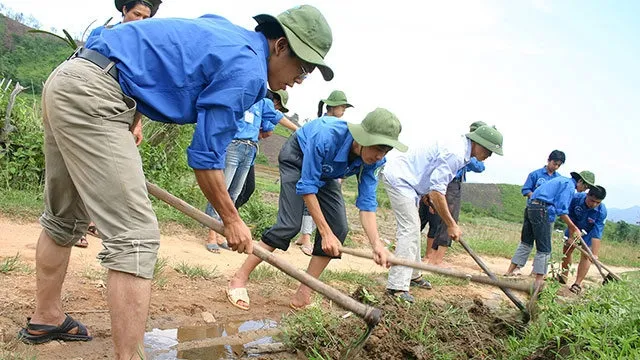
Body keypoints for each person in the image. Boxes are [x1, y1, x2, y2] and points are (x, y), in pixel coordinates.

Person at [19, 5, 334, 360]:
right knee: (136, 236)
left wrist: (132, 117)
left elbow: (144, 55)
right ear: (279, 46)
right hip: (95, 95)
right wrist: (232, 219)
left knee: (64, 218)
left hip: (70, 77)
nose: (301, 79)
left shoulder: (224, 32)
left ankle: (46, 318)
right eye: (303, 67)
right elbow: (206, 158)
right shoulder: (247, 71)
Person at [227, 108, 405, 311]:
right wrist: (323, 232)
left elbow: (367, 204)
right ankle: (238, 279)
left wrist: (377, 245)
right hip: (297, 158)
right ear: (363, 137)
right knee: (289, 225)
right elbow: (307, 186)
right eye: (378, 148)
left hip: (326, 174)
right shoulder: (326, 136)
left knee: (338, 229)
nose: (380, 155)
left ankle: (304, 293)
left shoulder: (374, 161)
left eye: (386, 150)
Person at [74, 0, 163, 249]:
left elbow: (139, 87)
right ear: (124, 11)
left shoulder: (144, 47)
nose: (141, 21)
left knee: (109, 173)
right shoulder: (105, 35)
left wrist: (137, 124)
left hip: (121, 115)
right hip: (92, 108)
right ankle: (76, 226)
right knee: (85, 167)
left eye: (146, 18)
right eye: (136, 14)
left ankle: (92, 221)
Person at [383, 125, 504, 302]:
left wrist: (425, 193)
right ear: (479, 143)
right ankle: (397, 287)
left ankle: (413, 274)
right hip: (400, 179)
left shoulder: (461, 151)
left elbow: (432, 177)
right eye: (489, 150)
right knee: (410, 228)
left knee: (414, 228)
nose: (489, 155)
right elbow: (437, 192)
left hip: (412, 184)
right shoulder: (455, 153)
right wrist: (451, 224)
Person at [205, 91, 297, 253]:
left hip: (250, 148)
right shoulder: (242, 94)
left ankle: (221, 233)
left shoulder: (263, 103)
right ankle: (211, 235)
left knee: (234, 194)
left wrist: (297, 129)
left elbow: (276, 117)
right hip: (234, 144)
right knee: (222, 190)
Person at [505, 171, 596, 289]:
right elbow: (562, 210)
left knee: (526, 242)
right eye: (585, 186)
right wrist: (573, 228)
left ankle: (509, 271)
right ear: (579, 181)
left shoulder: (560, 180)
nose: (585, 190)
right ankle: (538, 282)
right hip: (542, 210)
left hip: (531, 207)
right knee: (544, 248)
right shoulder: (568, 186)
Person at [294, 90, 354, 256]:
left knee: (333, 219)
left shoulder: (340, 129)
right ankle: (306, 237)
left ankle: (307, 238)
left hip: (324, 173)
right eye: (342, 107)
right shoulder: (325, 128)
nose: (343, 111)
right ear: (332, 107)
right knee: (309, 198)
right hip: (303, 163)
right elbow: (308, 183)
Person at [420, 121, 488, 265]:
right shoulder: (458, 152)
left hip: (443, 184)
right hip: (443, 185)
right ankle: (432, 259)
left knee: (442, 222)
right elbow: (478, 167)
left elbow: (480, 167)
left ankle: (433, 258)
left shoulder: (464, 152)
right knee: (440, 220)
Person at [234, 90, 296, 209]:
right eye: (278, 106)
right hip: (237, 148)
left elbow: (267, 131)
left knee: (242, 188)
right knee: (238, 188)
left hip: (247, 151)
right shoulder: (260, 104)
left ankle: (228, 218)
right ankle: (223, 219)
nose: (276, 109)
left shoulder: (262, 108)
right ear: (275, 101)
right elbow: (267, 131)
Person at [559, 185, 607, 294]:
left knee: (587, 256)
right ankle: (563, 277)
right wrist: (572, 236)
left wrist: (594, 254)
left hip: (589, 233)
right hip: (573, 226)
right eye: (592, 200)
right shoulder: (575, 199)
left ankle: (577, 284)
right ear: (587, 195)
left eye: (597, 202)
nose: (594, 204)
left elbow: (597, 233)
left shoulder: (602, 211)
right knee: (567, 250)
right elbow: (568, 216)